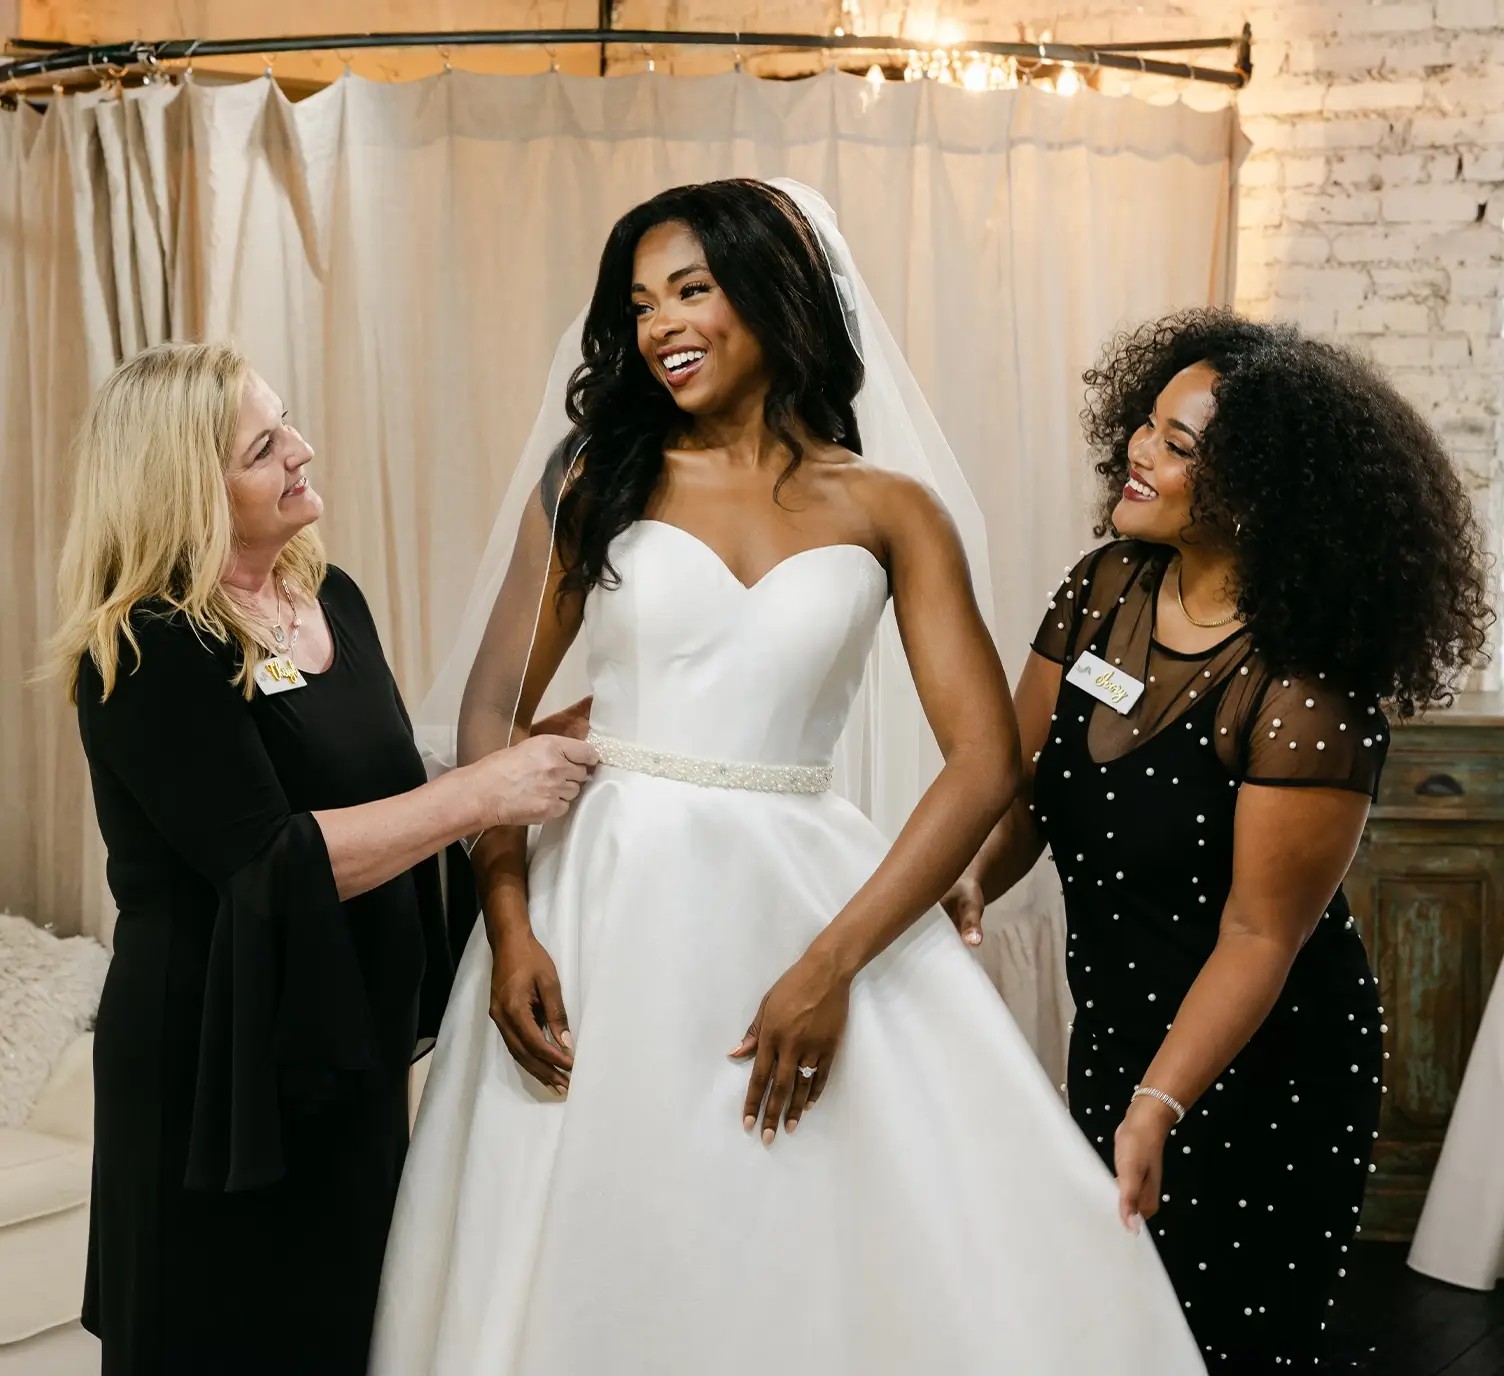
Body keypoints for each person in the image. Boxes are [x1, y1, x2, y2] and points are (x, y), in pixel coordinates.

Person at [369, 179, 1205, 1374]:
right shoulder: (594, 479)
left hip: (806, 896)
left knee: (845, 1234)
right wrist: (506, 923)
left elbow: (984, 761)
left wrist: (829, 962)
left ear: (774, 294)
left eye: (693, 290)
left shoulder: (889, 508)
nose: (662, 325)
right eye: (642, 302)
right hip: (598, 906)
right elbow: (491, 711)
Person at [943, 310, 1494, 1373]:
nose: (1139, 454)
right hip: (1117, 1034)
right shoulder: (1103, 590)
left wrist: (1158, 1101)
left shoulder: (1302, 685)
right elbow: (1018, 787)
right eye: (1146, 426)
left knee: (1223, 1346)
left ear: (1262, 491)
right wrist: (969, 874)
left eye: (1179, 445)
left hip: (1265, 1072)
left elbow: (1256, 933)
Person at [46, 342, 597, 1376]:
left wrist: (522, 750)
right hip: (212, 1066)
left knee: (347, 1331)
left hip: (339, 1044)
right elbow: (270, 857)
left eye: (285, 421)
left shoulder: (328, 595)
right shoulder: (145, 647)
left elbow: (374, 788)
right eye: (264, 447)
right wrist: (484, 792)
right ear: (187, 491)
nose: (301, 450)